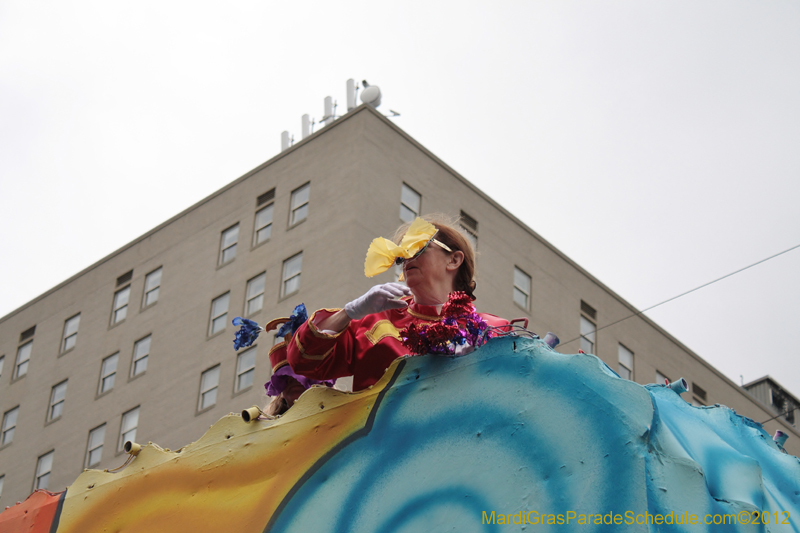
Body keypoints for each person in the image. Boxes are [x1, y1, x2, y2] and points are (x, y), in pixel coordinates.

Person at [286, 215, 510, 392]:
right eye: (402, 255)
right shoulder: (374, 321)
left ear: (454, 259)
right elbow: (303, 361)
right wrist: (350, 312)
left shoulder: (494, 330)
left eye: (418, 247)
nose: (407, 258)